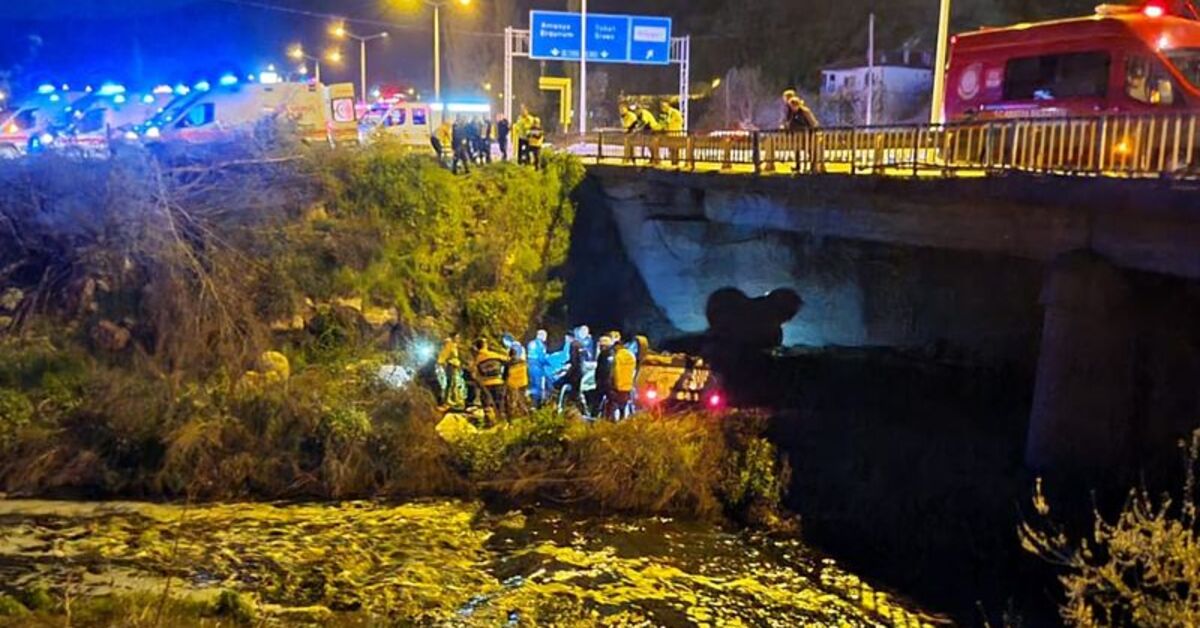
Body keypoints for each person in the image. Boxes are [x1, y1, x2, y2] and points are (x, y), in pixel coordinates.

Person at [473, 338, 509, 423]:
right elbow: (507, 360)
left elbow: (475, 375)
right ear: (485, 345)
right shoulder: (493, 355)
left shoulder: (477, 360)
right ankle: (503, 422)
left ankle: (490, 422)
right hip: (498, 382)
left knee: (487, 405)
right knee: (500, 404)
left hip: (485, 385)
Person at [611, 339, 637, 420]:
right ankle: (626, 417)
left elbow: (615, 370)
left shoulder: (618, 356)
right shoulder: (631, 355)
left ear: (617, 346)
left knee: (616, 403)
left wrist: (612, 381)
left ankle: (615, 419)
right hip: (628, 383)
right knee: (625, 402)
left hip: (618, 384)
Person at [505, 342, 530, 418]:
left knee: (513, 402)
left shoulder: (508, 364)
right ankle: (526, 414)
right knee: (522, 400)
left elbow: (505, 375)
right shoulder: (523, 362)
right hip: (523, 383)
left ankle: (512, 417)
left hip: (513, 385)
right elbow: (527, 372)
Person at [592, 335, 615, 417]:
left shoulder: (603, 355)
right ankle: (610, 418)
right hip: (610, 383)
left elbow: (601, 369)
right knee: (611, 402)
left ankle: (593, 418)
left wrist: (597, 379)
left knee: (597, 401)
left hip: (603, 382)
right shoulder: (613, 354)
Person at [526, 329, 550, 406]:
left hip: (529, 365)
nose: (546, 338)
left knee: (532, 384)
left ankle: (530, 402)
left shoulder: (531, 343)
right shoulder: (540, 345)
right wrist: (549, 363)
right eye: (545, 336)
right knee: (537, 386)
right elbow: (541, 357)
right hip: (537, 367)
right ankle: (536, 404)